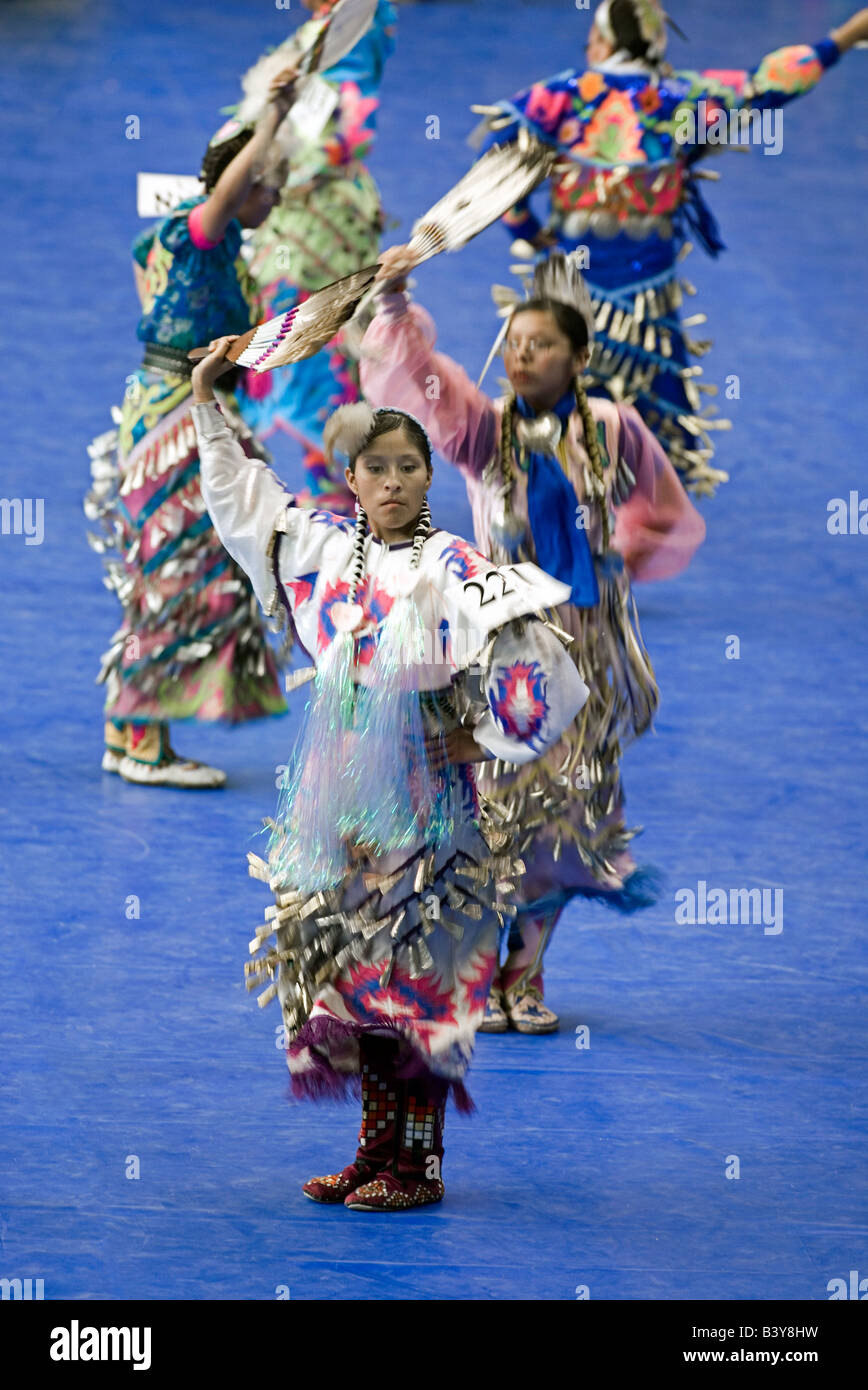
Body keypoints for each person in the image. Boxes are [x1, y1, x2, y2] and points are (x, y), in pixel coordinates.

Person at [190, 335, 589, 1210]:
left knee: (416, 982)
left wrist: (481, 743)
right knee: (357, 980)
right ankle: (375, 1155)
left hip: (427, 813)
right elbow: (242, 497)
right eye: (380, 468)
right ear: (356, 482)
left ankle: (421, 1167)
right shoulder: (324, 550)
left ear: (428, 480)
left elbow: (550, 674)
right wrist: (208, 401)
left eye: (412, 467)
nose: (398, 481)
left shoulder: (456, 569)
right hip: (342, 809)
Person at [360, 245, 705, 1033]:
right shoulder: (484, 433)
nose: (521, 355)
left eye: (540, 344)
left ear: (579, 356)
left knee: (563, 818)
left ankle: (527, 972)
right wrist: (392, 306)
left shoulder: (614, 431)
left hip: (583, 652)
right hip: (507, 657)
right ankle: (479, 971)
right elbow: (421, 382)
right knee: (494, 815)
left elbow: (664, 510)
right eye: (513, 343)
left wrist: (621, 552)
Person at [471, 1, 868, 495]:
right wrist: (844, 37)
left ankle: (549, 476)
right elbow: (766, 85)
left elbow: (501, 161)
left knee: (558, 381)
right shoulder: (682, 100)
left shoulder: (562, 95)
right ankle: (653, 488)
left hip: (574, 281)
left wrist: (528, 230)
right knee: (654, 386)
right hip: (647, 287)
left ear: (603, 42)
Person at [85, 72, 298, 787]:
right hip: (174, 417)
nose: (275, 198)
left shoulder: (214, 252)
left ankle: (130, 728)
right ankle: (142, 744)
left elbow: (150, 264)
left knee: (170, 567)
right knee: (176, 569)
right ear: (242, 186)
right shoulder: (201, 234)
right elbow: (226, 197)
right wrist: (271, 120)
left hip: (182, 406)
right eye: (269, 186)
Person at [233, 0, 398, 513]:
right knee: (291, 334)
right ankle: (327, 473)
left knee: (318, 336)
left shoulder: (353, 26)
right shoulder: (318, 30)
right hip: (288, 208)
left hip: (318, 215)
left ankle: (339, 481)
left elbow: (353, 125)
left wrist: (292, 168)